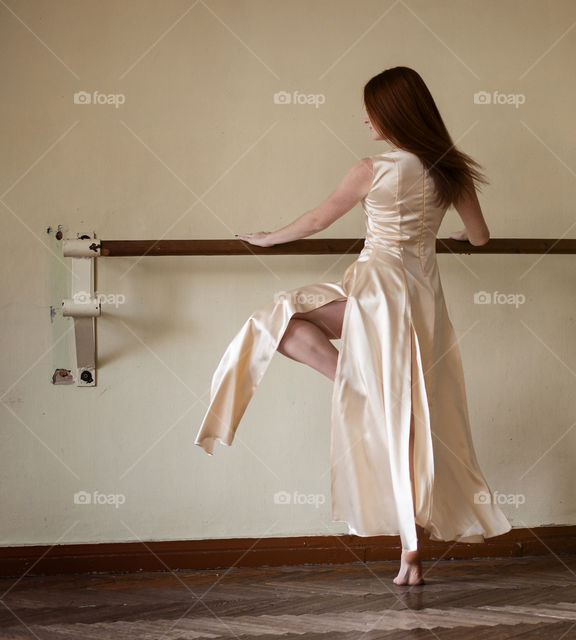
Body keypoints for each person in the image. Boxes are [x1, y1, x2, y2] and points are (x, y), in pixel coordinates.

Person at [194, 66, 512, 586]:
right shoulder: (451, 171)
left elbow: (318, 220)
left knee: (278, 319)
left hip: (377, 291)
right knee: (410, 418)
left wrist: (268, 238)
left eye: (371, 110)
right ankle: (410, 546)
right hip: (423, 302)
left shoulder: (372, 169)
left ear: (393, 113)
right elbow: (480, 237)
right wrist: (450, 234)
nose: (365, 119)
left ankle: (356, 382)